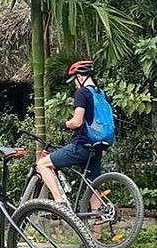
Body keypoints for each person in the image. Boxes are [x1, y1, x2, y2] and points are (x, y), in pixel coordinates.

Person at [36, 60, 105, 210]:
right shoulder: (99, 93)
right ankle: (97, 234)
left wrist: (65, 124)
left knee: (42, 164)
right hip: (97, 146)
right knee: (93, 191)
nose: (74, 84)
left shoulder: (82, 93)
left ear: (80, 77)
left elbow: (77, 121)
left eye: (74, 80)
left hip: (81, 146)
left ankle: (60, 204)